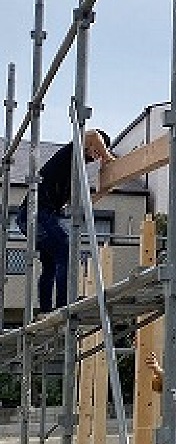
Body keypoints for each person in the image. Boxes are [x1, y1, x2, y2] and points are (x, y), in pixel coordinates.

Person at [16, 128, 115, 311]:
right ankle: (65, 304)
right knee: (66, 250)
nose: (95, 157)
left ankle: (45, 310)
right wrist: (107, 156)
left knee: (51, 263)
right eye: (96, 151)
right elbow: (92, 134)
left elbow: (79, 204)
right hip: (36, 213)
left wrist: (102, 192)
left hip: (33, 216)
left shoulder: (74, 175)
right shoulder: (72, 152)